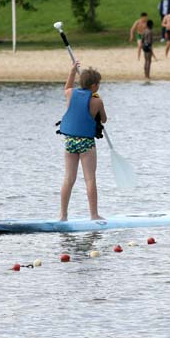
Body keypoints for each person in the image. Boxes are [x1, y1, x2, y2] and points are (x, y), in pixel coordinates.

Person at [58, 61, 107, 221]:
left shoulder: (70, 94)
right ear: (94, 86)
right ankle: (94, 215)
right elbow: (104, 120)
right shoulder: (97, 101)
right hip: (86, 143)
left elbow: (67, 87)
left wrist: (72, 72)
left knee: (68, 178)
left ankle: (63, 215)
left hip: (70, 141)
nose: (99, 86)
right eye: (98, 84)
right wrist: (97, 103)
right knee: (90, 178)